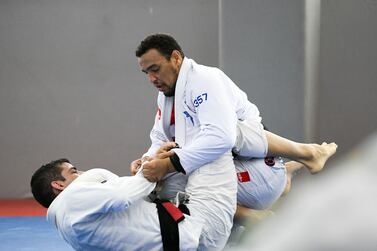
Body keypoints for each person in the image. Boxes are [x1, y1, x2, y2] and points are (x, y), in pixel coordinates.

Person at [132, 33, 337, 249]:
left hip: (260, 170)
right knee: (161, 184)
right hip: (250, 176)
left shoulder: (205, 79)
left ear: (175, 58)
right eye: (146, 73)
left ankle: (306, 154)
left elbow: (222, 137)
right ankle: (281, 180)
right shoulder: (167, 96)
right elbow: (159, 137)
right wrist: (148, 160)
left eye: (155, 69)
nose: (152, 79)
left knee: (222, 133)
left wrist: (167, 164)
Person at [30, 158, 205, 251]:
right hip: (187, 235)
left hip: (177, 239)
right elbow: (122, 196)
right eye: (74, 172)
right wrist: (148, 170)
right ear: (58, 185)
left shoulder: (66, 226)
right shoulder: (71, 198)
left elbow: (128, 214)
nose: (82, 173)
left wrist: (141, 176)